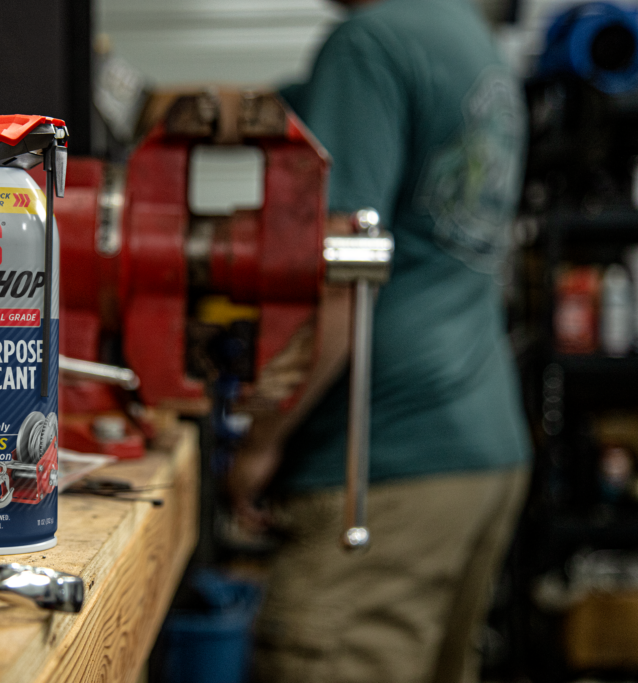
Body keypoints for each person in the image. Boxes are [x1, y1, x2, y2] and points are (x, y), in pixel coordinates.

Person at [227, 0, 533, 680]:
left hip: (385, 462)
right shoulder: (470, 42)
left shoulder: (366, 45)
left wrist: (261, 441)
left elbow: (345, 276)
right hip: (480, 449)